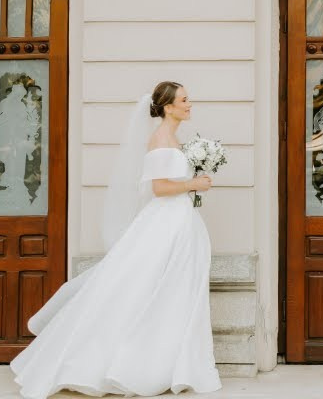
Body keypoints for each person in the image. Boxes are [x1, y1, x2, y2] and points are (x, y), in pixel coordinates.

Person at [11, 81, 221, 398]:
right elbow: (159, 188)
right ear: (168, 107)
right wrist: (194, 184)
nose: (190, 104)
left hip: (178, 221)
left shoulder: (173, 138)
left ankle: (168, 362)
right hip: (166, 221)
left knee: (172, 290)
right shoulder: (161, 139)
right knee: (142, 287)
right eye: (184, 99)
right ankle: (118, 362)